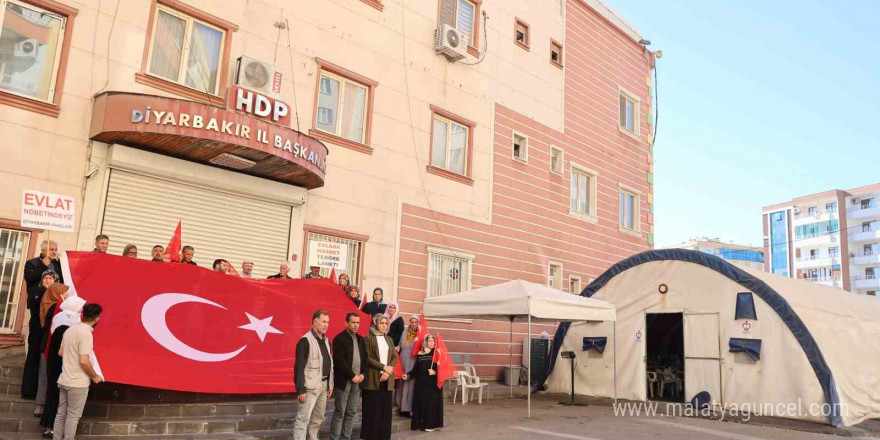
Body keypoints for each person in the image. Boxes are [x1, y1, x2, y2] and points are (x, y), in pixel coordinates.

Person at [54, 303, 104, 440]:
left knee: (61, 414)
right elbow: (83, 360)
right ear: (97, 318)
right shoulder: (86, 334)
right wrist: (94, 376)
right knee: (73, 416)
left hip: (64, 378)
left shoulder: (69, 330)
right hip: (78, 382)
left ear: (82, 314)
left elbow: (60, 352)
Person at [40, 296, 86, 439]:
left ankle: (49, 425)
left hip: (54, 359)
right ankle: (54, 427)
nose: (81, 310)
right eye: (80, 307)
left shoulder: (59, 318)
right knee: (58, 396)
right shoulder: (72, 323)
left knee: (53, 392)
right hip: (64, 361)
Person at [293, 310, 334, 440]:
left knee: (318, 419)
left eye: (327, 322)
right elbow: (299, 367)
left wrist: (329, 385)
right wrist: (301, 390)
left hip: (323, 386)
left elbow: (329, 365)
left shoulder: (327, 341)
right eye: (323, 321)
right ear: (315, 322)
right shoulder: (305, 341)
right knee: (303, 420)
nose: (326, 325)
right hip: (309, 387)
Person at [330, 312, 368, 440]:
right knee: (340, 412)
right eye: (353, 322)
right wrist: (353, 376)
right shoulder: (339, 339)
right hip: (344, 381)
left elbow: (365, 360)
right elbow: (339, 362)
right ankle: (334, 438)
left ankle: (346, 437)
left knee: (351, 412)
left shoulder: (361, 340)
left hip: (357, 382)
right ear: (346, 323)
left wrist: (362, 374)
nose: (356, 325)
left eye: (358, 323)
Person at [35, 284, 69, 418]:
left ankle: (41, 406)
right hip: (49, 345)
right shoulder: (55, 307)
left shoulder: (55, 306)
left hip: (49, 345)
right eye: (64, 292)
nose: (66, 295)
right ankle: (41, 406)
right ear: (57, 292)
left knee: (45, 375)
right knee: (45, 376)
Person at [22, 270, 57, 399]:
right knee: (33, 358)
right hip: (37, 330)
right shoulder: (35, 291)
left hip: (48, 333)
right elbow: (34, 305)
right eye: (45, 278)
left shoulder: (58, 294)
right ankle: (29, 390)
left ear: (55, 281)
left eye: (51, 278)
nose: (48, 280)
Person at [362, 313, 397, 440]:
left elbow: (394, 357)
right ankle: (371, 436)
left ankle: (383, 436)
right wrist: (383, 367)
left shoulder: (389, 339)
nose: (384, 326)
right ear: (376, 324)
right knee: (372, 410)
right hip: (373, 379)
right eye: (381, 323)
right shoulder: (368, 338)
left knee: (385, 411)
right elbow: (367, 358)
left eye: (386, 324)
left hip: (387, 379)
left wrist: (388, 372)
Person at [403, 334, 443, 432]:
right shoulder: (420, 354)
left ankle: (430, 425)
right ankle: (420, 424)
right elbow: (415, 370)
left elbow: (443, 368)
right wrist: (408, 375)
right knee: (421, 404)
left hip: (432, 384)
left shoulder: (437, 353)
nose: (432, 343)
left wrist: (435, 372)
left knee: (430, 405)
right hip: (421, 384)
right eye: (429, 341)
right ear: (425, 342)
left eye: (433, 341)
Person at [394, 314, 420, 416]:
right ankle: (401, 407)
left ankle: (409, 409)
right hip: (403, 361)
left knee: (411, 384)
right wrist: (397, 348)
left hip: (413, 362)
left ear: (418, 323)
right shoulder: (405, 332)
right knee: (402, 383)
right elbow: (400, 345)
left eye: (415, 322)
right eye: (412, 322)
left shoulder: (420, 334)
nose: (413, 324)